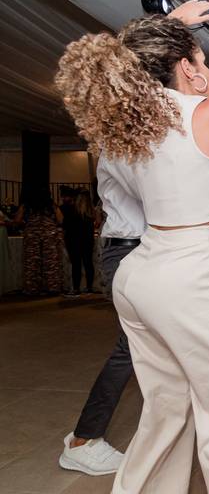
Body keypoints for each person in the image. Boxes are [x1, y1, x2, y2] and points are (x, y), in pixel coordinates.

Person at [54, 0, 209, 492]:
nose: (208, 68)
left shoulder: (131, 127)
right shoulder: (204, 116)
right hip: (190, 274)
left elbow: (135, 69)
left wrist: (173, 32)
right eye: (201, 59)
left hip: (141, 274)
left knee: (166, 407)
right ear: (187, 69)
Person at [58, 155, 146, 476]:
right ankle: (83, 440)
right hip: (128, 249)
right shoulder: (120, 147)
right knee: (131, 344)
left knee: (152, 344)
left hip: (148, 249)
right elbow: (154, 193)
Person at [13, 188, 64, 295]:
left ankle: (32, 288)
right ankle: (52, 287)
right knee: (51, 262)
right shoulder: (52, 205)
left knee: (32, 262)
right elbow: (61, 220)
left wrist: (25, 222)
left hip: (32, 234)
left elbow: (17, 220)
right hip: (49, 234)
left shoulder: (26, 205)